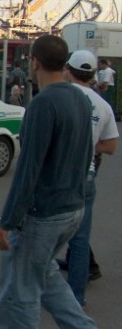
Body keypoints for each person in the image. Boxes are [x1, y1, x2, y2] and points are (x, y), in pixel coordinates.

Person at [0, 35, 106, 329]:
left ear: (34, 61)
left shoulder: (42, 104)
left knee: (19, 295)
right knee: (45, 271)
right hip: (73, 208)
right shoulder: (83, 99)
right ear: (64, 64)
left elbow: (28, 169)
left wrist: (7, 222)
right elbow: (86, 157)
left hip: (44, 213)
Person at [61, 50, 118, 307]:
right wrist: (90, 145)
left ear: (68, 70)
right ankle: (76, 297)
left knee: (45, 233)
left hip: (59, 176)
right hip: (87, 177)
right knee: (81, 237)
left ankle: (39, 290)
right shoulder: (102, 105)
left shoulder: (62, 98)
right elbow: (110, 145)